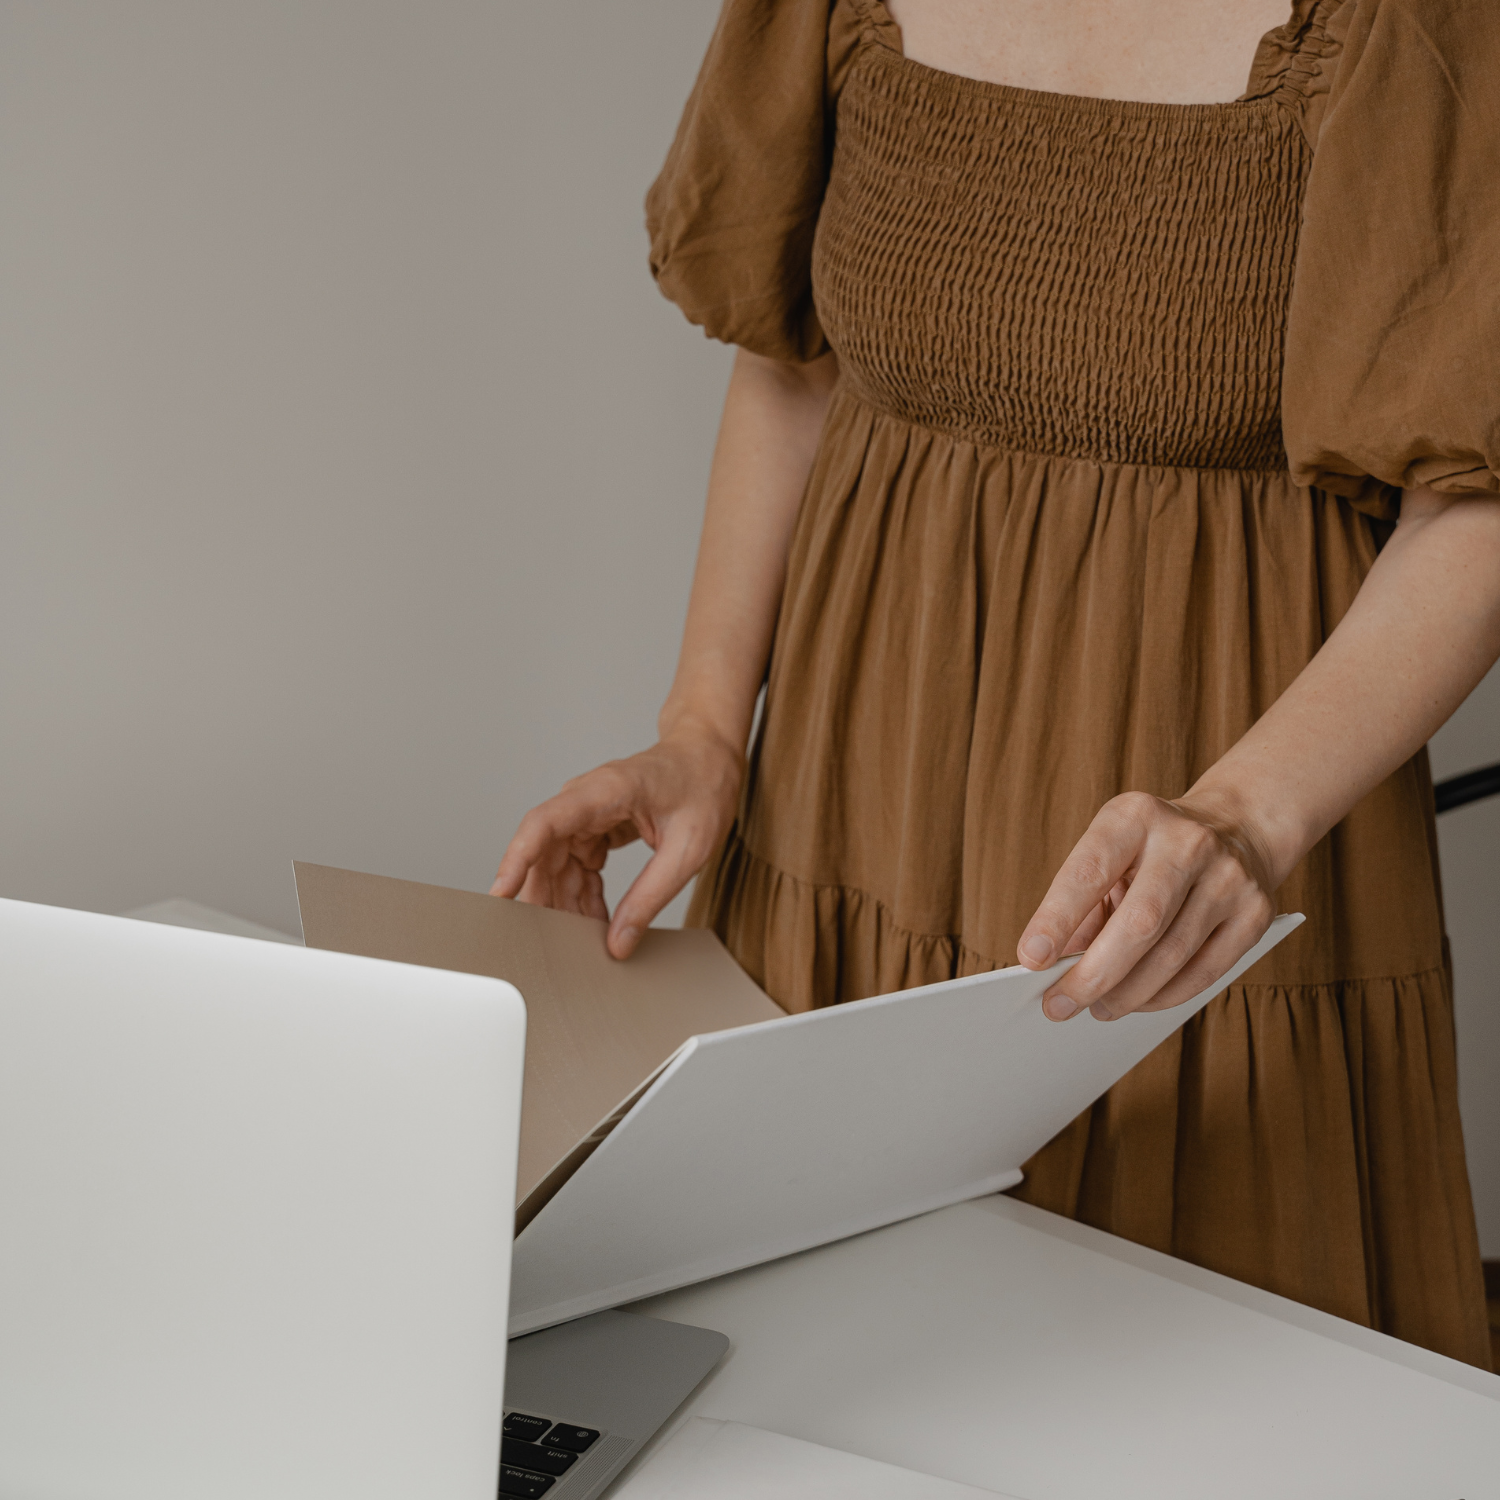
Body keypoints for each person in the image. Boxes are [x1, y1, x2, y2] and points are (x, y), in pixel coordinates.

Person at [495, 0, 1499, 1368]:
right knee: (796, 1394)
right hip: (851, 815)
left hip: (1194, 872)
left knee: (1193, 1402)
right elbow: (798, 361)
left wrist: (1246, 819)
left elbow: (1480, 497)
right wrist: (702, 730)